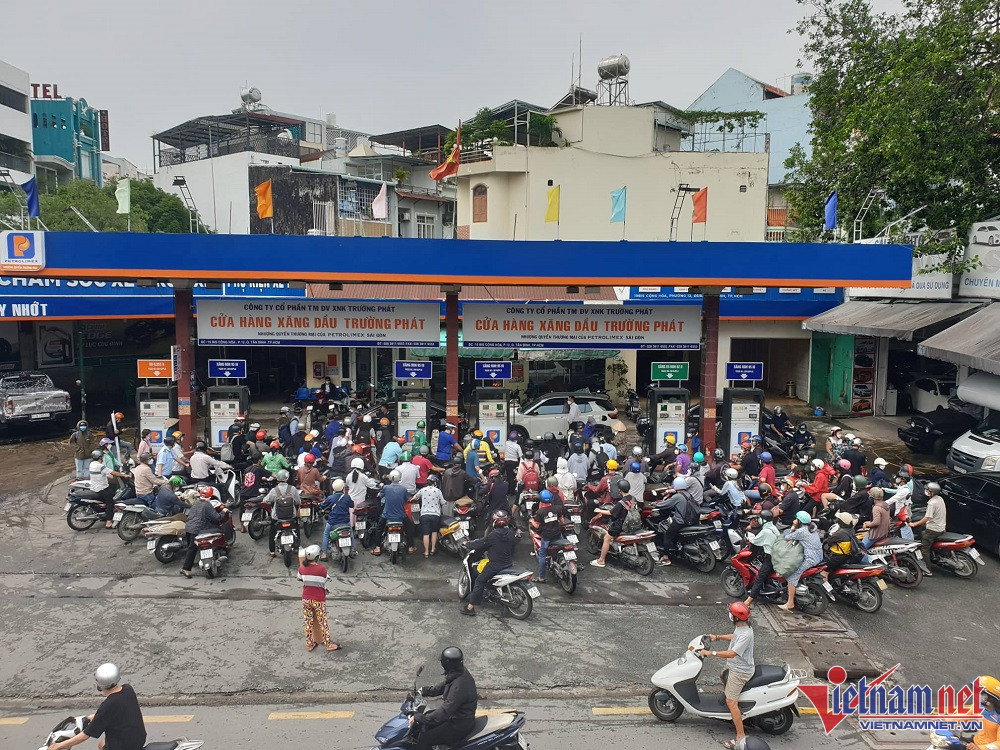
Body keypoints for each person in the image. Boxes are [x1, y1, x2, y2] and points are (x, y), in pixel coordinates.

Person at [47, 663, 145, 750]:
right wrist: (90, 717)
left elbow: (85, 736)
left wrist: (59, 746)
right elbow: (115, 711)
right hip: (138, 740)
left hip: (123, 747)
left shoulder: (108, 704)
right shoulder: (128, 689)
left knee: (103, 745)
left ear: (99, 685)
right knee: (102, 744)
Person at [699, 603, 755, 749]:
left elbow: (732, 653)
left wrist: (710, 653)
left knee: (731, 702)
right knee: (723, 675)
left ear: (736, 618)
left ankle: (740, 737)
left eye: (732, 614)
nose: (729, 615)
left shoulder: (746, 634)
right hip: (735, 667)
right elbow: (734, 637)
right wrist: (717, 637)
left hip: (740, 671)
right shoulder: (743, 627)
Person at [411, 647, 477, 750]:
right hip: (456, 717)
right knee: (426, 721)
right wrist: (425, 691)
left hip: (459, 725)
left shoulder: (458, 687)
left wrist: (418, 717)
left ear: (446, 664)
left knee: (424, 739)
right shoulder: (459, 672)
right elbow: (445, 685)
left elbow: (444, 712)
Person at [463, 509, 517, 615]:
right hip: (508, 563)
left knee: (479, 581)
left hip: (495, 565)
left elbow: (481, 543)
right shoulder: (511, 533)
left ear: (494, 521)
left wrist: (467, 544)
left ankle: (470, 608)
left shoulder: (493, 535)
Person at [297, 544, 341, 652]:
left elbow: (299, 578)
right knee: (323, 622)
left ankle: (309, 644)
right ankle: (328, 645)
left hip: (306, 599)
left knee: (308, 622)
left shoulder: (302, 568)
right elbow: (326, 578)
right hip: (318, 600)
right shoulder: (322, 569)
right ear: (317, 557)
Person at [781, 511, 823, 610]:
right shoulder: (812, 527)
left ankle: (790, 603)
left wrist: (793, 526)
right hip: (819, 557)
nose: (794, 520)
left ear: (799, 521)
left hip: (810, 559)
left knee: (792, 576)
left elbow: (786, 537)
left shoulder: (801, 531)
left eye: (796, 519)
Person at [180, 486, 224, 578]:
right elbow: (217, 518)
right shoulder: (207, 505)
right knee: (192, 548)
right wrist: (223, 511)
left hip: (188, 527)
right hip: (197, 529)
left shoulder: (196, 502)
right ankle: (185, 568)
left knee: (191, 548)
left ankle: (191, 563)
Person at [657, 477, 699, 566]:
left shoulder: (677, 496)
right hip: (690, 520)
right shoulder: (688, 494)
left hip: (680, 522)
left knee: (668, 535)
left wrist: (655, 504)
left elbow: (665, 504)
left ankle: (665, 558)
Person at [590, 484, 634, 568]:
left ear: (620, 490)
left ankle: (601, 560)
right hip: (631, 524)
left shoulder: (621, 502)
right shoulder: (633, 498)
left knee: (606, 538)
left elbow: (610, 512)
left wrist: (599, 510)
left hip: (620, 525)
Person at [743, 510, 781, 606]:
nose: (758, 520)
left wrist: (749, 536)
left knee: (760, 577)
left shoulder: (766, 531)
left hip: (771, 558)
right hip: (778, 555)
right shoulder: (773, 527)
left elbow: (755, 541)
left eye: (759, 518)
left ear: (763, 520)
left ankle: (748, 601)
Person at [373, 470, 414, 556]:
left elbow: (379, 495)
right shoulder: (403, 489)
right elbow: (408, 499)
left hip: (386, 515)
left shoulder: (386, 488)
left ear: (391, 478)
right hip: (401, 515)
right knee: (409, 528)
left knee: (379, 529)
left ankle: (377, 547)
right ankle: (410, 547)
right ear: (399, 478)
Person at [909, 481, 946, 576]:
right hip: (941, 526)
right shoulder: (940, 499)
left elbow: (926, 518)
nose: (926, 491)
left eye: (927, 490)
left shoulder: (931, 503)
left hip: (933, 530)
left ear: (932, 492)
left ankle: (927, 570)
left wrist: (914, 524)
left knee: (924, 549)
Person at [265, 470, 301, 559]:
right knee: (296, 528)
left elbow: (266, 500)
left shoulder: (274, 490)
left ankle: (272, 551)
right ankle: (296, 548)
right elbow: (298, 501)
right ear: (287, 478)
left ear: (277, 479)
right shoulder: (293, 489)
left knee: (272, 531)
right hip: (291, 516)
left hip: (277, 518)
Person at [88, 449, 128, 529]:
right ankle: (109, 522)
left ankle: (104, 515)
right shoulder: (100, 466)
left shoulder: (92, 464)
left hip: (94, 487)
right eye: (102, 456)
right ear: (100, 457)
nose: (103, 458)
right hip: (101, 488)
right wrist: (124, 475)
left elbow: (101, 473)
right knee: (110, 502)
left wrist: (108, 475)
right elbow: (113, 472)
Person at [531, 489, 563, 582]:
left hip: (547, 537)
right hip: (558, 534)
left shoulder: (540, 512)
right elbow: (561, 521)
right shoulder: (557, 509)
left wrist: (531, 521)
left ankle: (541, 578)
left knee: (542, 555)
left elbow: (537, 525)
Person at [319, 478, 354, 561]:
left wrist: (319, 505)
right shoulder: (347, 497)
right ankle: (352, 549)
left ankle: (324, 553)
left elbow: (322, 506)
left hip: (333, 522)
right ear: (343, 488)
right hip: (345, 521)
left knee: (326, 534)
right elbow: (352, 505)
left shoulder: (330, 498)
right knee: (351, 533)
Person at [416, 474, 445, 557]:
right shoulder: (438, 491)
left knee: (426, 534)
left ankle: (426, 552)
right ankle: (432, 549)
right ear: (435, 483)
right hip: (435, 515)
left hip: (424, 515)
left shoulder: (422, 490)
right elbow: (442, 502)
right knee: (434, 532)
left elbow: (415, 497)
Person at [970, 674, 1000, 750]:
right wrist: (945, 719)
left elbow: (999, 744)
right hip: (974, 745)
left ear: (990, 697)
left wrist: (980, 748)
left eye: (981, 693)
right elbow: (963, 715)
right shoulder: (979, 706)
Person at [860, 487, 890, 557]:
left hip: (876, 534)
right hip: (884, 533)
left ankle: (867, 563)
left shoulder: (876, 508)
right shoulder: (885, 505)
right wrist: (868, 522)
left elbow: (876, 522)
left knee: (860, 549)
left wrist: (867, 525)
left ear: (873, 498)